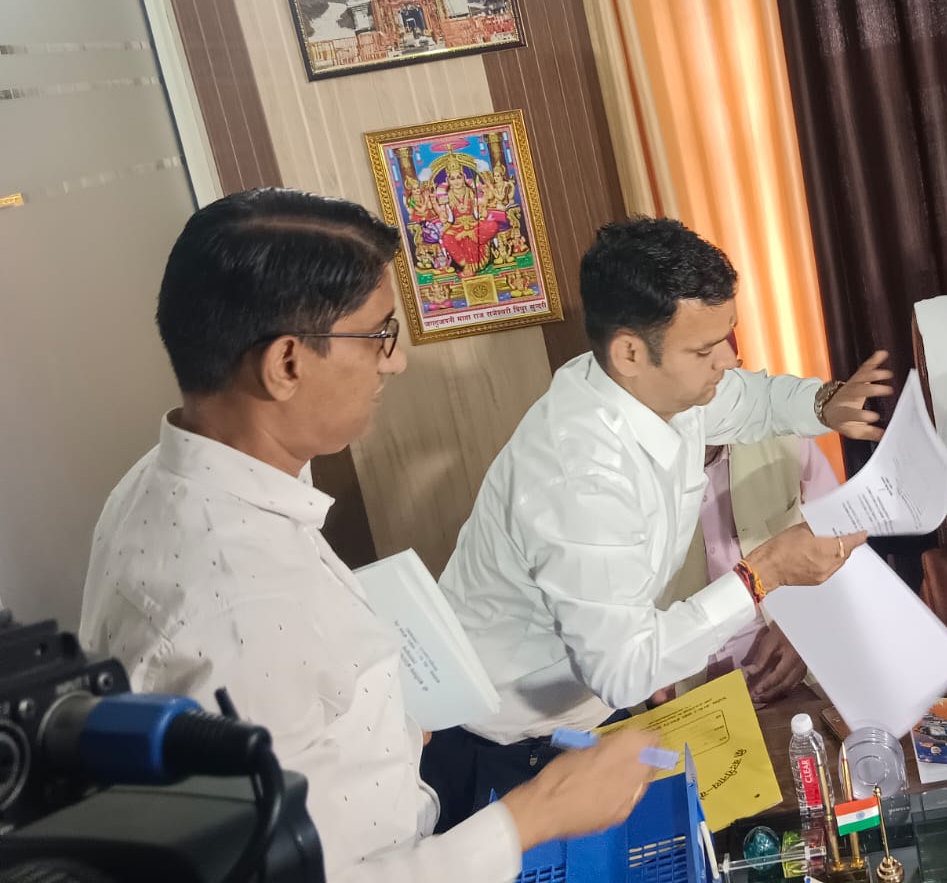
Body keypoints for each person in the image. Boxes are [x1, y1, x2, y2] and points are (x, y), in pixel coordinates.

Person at [78, 188, 658, 883]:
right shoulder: (240, 611)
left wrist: (383, 723)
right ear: (287, 364)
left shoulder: (168, 476)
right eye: (379, 333)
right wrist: (538, 814)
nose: (395, 360)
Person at [427, 217, 890, 824]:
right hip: (509, 743)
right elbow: (622, 668)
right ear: (629, 351)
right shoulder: (578, 475)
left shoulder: (649, 387)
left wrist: (824, 403)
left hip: (587, 708)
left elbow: (747, 399)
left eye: (725, 338)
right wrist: (765, 573)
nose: (727, 360)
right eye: (704, 350)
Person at [658, 436, 840, 705]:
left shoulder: (787, 436)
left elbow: (842, 545)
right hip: (677, 697)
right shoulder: (618, 473)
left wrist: (804, 629)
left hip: (796, 680)